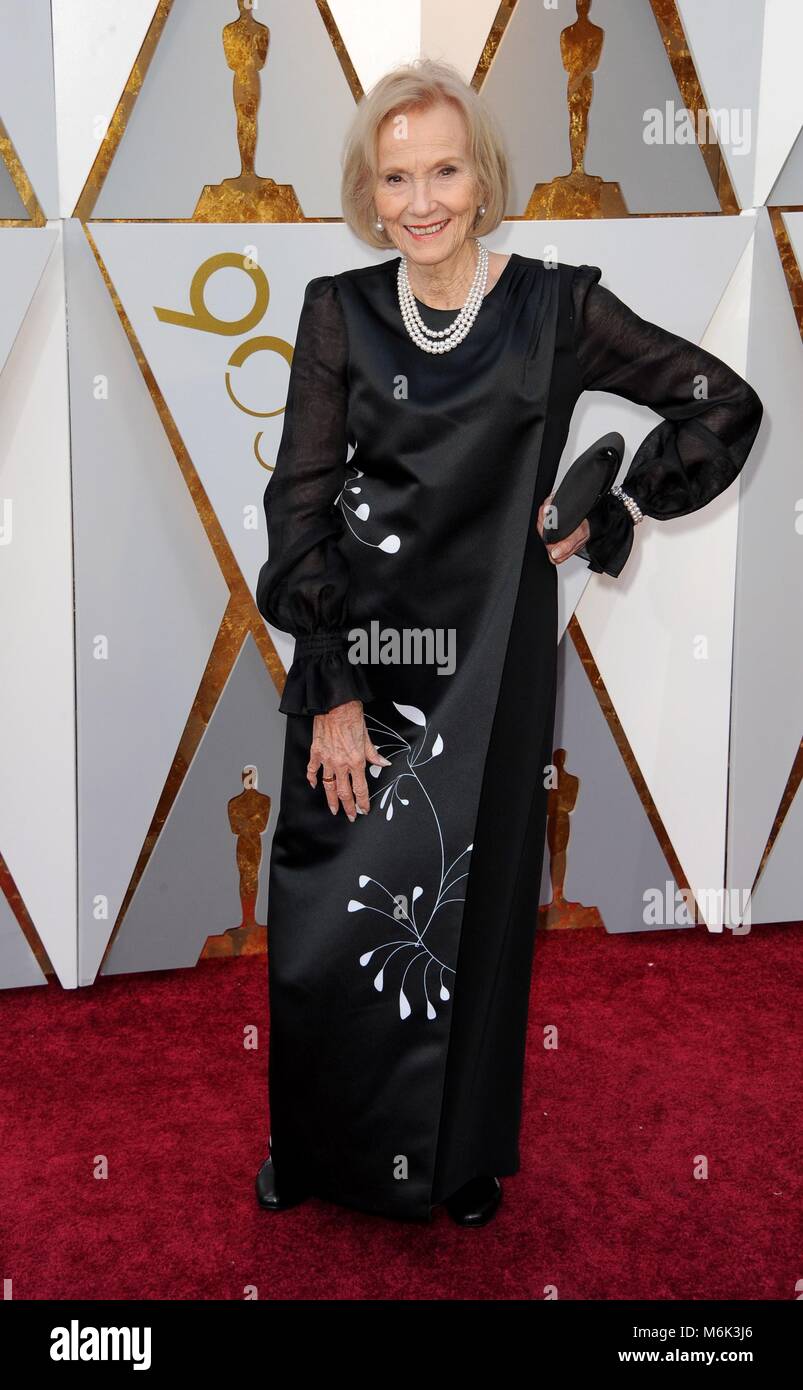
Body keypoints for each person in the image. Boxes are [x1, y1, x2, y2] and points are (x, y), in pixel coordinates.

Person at [253, 59, 763, 1227]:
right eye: (395, 177)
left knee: (476, 911)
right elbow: (298, 509)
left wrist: (614, 509)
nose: (420, 199)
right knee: (335, 907)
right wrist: (327, 686)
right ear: (368, 193)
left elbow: (717, 403)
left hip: (495, 657)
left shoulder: (557, 305)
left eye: (442, 170)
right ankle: (322, 1147)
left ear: (479, 180)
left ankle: (459, 1154)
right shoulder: (341, 310)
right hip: (365, 661)